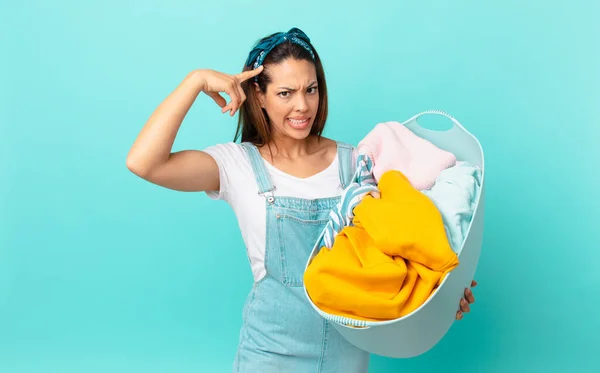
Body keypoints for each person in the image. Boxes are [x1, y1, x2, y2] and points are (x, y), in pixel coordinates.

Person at [126, 27, 477, 373]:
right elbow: (144, 163)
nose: (302, 105)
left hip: (348, 358)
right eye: (285, 93)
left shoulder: (359, 162)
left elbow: (405, 247)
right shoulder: (237, 165)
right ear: (258, 95)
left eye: (311, 90)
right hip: (268, 357)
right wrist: (195, 81)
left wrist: (441, 294)